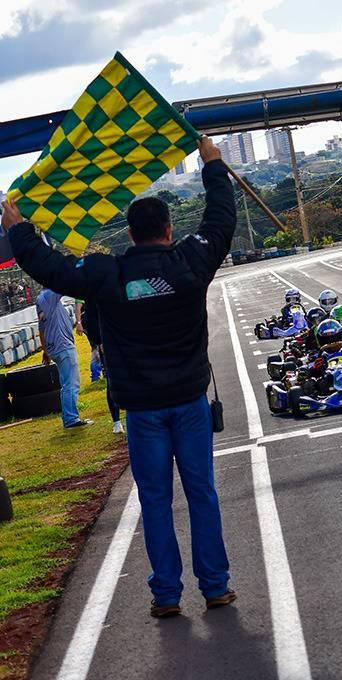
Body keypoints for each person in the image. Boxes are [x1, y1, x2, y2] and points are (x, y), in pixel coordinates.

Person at [3, 136, 236, 618]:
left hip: (143, 410)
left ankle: (166, 596)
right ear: (169, 230)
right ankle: (215, 587)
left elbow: (49, 266)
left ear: (130, 235)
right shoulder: (191, 262)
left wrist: (19, 227)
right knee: (202, 493)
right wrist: (212, 164)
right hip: (190, 402)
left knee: (154, 500)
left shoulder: (106, 274)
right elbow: (220, 221)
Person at [36, 288, 90, 428]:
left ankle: (69, 417)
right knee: (71, 384)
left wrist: (46, 351)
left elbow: (41, 329)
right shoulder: (49, 295)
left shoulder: (40, 300)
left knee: (66, 384)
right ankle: (71, 419)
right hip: (63, 346)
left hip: (54, 347)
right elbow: (64, 284)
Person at [78, 299, 122, 433]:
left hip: (124, 339)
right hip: (107, 343)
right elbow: (90, 321)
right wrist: (99, 340)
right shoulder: (93, 294)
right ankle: (116, 421)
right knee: (111, 380)